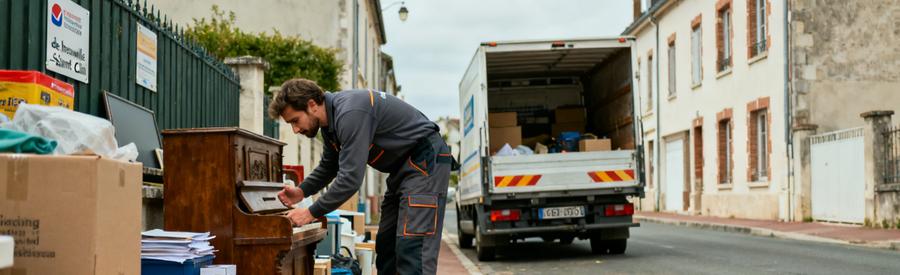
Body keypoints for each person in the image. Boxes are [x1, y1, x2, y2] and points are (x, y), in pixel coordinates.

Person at [271, 78, 457, 275]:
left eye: (295, 120)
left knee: (413, 248)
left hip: (425, 161)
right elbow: (329, 166)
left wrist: (310, 213)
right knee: (387, 246)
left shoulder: (350, 113)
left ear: (311, 105)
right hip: (403, 168)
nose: (295, 129)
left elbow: (350, 179)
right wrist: (301, 192)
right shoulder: (330, 124)